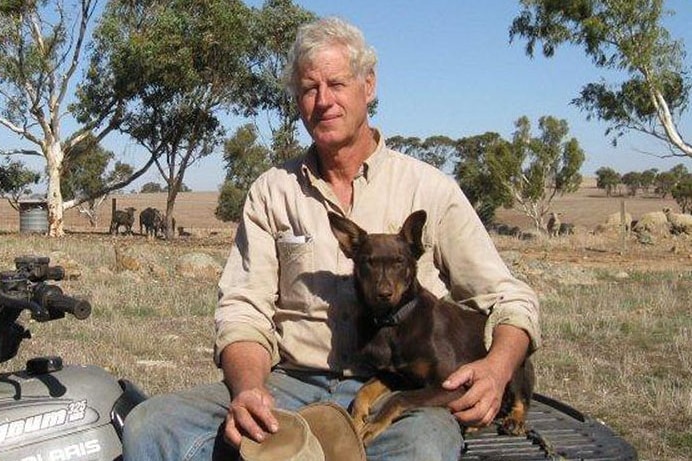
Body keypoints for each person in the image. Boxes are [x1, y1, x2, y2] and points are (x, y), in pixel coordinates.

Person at [122, 16, 540, 461]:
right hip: (288, 383)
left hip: (392, 389)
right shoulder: (272, 191)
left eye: (337, 84)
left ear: (368, 85)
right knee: (151, 425)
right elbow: (243, 310)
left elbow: (509, 299)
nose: (323, 101)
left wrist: (497, 370)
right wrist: (249, 391)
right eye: (308, 88)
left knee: (424, 446)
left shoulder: (429, 189)